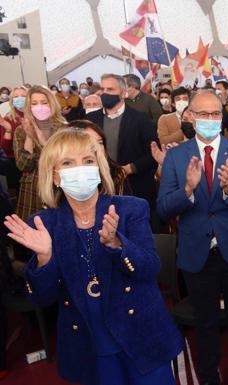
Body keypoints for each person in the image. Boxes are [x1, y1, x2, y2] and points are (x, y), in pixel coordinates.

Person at [11, 129, 183, 385]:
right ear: (55, 176)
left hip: (140, 336)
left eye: (88, 161)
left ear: (99, 168)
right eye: (68, 162)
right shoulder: (44, 224)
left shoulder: (130, 208)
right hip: (89, 342)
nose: (80, 169)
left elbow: (149, 268)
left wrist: (117, 244)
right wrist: (45, 257)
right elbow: (43, 298)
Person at [157, 92, 228, 385]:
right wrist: (187, 190)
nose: (210, 120)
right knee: (205, 325)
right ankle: (208, 378)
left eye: (215, 114)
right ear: (189, 115)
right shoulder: (176, 156)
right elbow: (164, 208)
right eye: (203, 114)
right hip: (196, 252)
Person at [87, 74, 159, 209]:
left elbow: (153, 155)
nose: (105, 93)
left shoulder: (140, 119)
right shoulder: (90, 119)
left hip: (135, 189)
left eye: (110, 89)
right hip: (99, 189)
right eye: (102, 90)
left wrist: (129, 168)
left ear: (123, 93)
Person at [14, 86, 67, 220]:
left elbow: (59, 159)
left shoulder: (63, 128)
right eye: (34, 103)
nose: (39, 107)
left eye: (44, 102)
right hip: (32, 188)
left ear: (52, 103)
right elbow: (23, 165)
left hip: (58, 187)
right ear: (28, 106)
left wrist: (41, 138)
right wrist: (30, 137)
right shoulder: (21, 130)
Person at [68, 119, 131, 195]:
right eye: (90, 143)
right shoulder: (66, 176)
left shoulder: (117, 174)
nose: (97, 148)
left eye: (100, 142)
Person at [0, 86, 27, 190]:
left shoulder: (37, 116)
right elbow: (5, 151)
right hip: (15, 163)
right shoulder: (8, 119)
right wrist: (8, 130)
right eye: (16, 96)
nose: (20, 99)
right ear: (11, 100)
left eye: (23, 96)